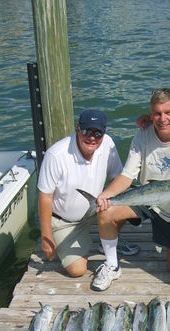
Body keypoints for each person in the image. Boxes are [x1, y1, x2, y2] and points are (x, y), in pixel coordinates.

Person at [91, 88, 170, 292]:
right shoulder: (142, 133)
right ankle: (112, 264)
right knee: (105, 211)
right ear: (150, 115)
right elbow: (128, 175)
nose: (162, 118)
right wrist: (106, 194)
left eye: (168, 113)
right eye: (157, 113)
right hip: (147, 198)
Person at [37, 109, 139, 278]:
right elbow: (45, 196)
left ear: (104, 132)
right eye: (86, 131)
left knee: (129, 199)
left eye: (98, 133)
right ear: (78, 129)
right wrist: (46, 234)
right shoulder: (56, 155)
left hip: (95, 209)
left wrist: (106, 195)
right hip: (65, 220)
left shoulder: (108, 143)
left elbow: (118, 177)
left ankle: (108, 239)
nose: (92, 137)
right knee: (77, 271)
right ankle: (100, 236)